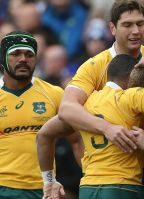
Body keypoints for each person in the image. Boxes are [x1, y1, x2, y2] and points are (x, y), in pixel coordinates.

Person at [37, 54, 144, 199]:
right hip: (122, 185)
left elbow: (43, 135)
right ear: (132, 76)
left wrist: (49, 180)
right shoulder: (129, 98)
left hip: (88, 187)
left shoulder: (84, 106)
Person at [0, 31, 82, 199]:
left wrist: (92, 177)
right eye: (16, 53)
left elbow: (77, 141)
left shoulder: (54, 94)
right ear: (3, 58)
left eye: (29, 54)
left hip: (44, 189)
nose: (23, 59)